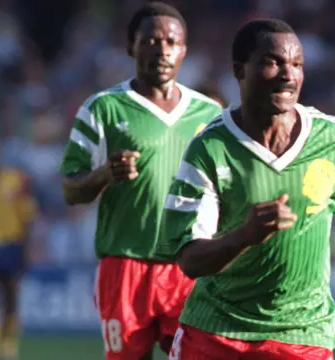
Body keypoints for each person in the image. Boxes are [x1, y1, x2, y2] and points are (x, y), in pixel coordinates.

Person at [160, 19, 335, 360]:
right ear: (239, 70)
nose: (287, 74)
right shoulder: (209, 149)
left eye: (296, 64)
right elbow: (189, 260)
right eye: (272, 62)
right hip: (215, 331)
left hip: (302, 335)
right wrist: (244, 235)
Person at [59, 2, 222, 359]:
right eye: (150, 40)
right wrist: (104, 174)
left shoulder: (210, 115)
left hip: (188, 266)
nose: (162, 49)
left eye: (171, 41)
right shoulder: (103, 108)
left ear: (184, 50)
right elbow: (70, 189)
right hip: (125, 265)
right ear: (131, 47)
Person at [0, 134, 37, 360]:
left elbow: (26, 214)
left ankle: (9, 349)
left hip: (11, 246)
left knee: (11, 301)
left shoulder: (13, 180)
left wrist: (27, 247)